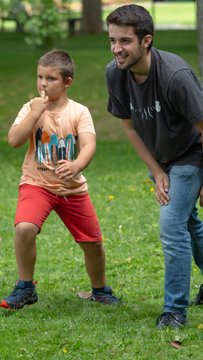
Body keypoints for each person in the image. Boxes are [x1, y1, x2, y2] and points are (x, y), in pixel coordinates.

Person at [105, 4, 203, 329]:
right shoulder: (114, 73)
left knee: (172, 223)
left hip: (193, 152)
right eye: (112, 41)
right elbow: (130, 128)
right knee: (185, 218)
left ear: (146, 41)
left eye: (125, 41)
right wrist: (158, 170)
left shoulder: (175, 76)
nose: (117, 49)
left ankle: (174, 310)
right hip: (161, 155)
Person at [0, 50, 119, 310]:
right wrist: (35, 112)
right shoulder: (30, 109)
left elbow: (89, 144)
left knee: (94, 244)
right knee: (24, 228)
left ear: (67, 82)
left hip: (72, 189)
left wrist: (76, 165)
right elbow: (13, 140)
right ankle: (25, 287)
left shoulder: (79, 112)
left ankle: (100, 290)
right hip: (36, 183)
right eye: (40, 77)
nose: (43, 83)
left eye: (51, 78)